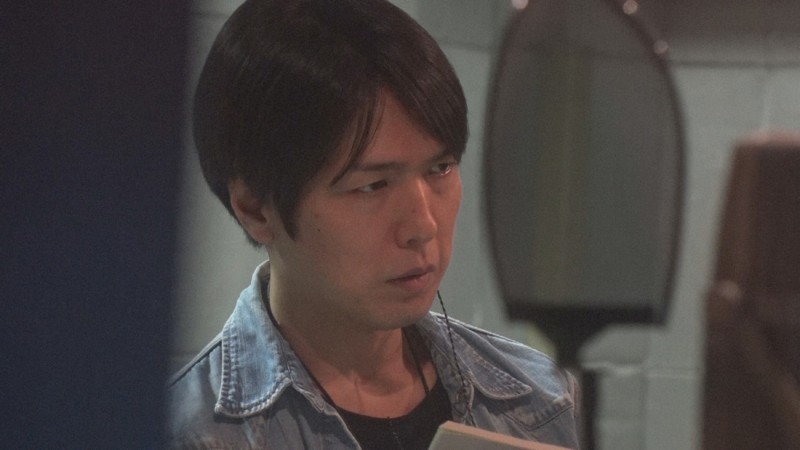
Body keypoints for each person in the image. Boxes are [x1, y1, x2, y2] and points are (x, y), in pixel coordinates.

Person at [167, 0, 580, 448]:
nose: (423, 226)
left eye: (440, 168)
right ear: (255, 208)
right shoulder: (195, 436)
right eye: (373, 186)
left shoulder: (541, 402)